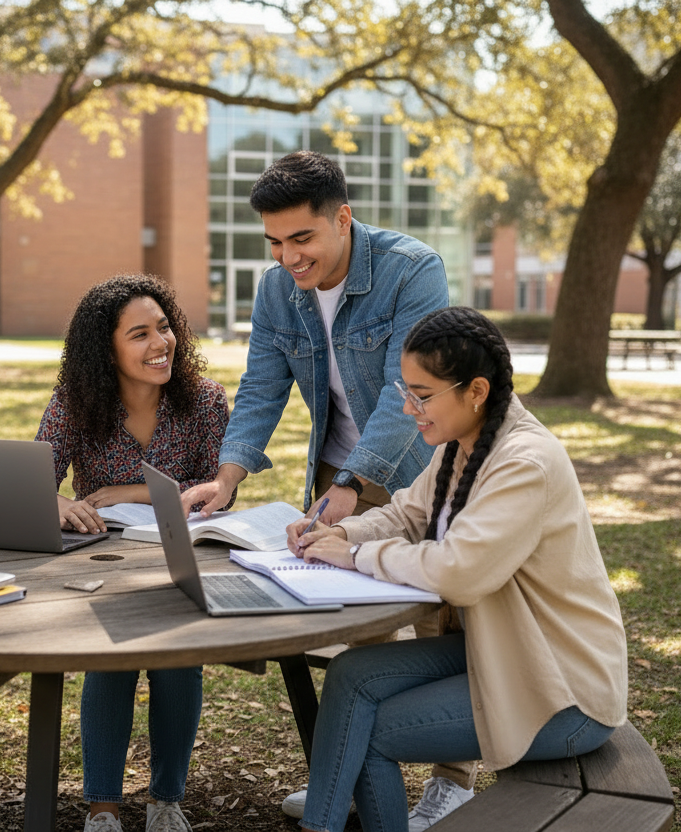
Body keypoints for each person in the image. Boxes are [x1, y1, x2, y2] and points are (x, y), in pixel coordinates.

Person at [284, 306, 629, 832]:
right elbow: (406, 513)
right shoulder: (463, 444)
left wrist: (353, 557)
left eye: (422, 395)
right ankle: (322, 824)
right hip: (502, 649)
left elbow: (459, 570)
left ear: (476, 391)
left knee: (372, 733)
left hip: (560, 688)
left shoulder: (522, 462)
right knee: (351, 676)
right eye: (407, 390)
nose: (408, 407)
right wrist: (339, 534)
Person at [35, 274, 232, 832]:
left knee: (178, 667)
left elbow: (215, 489)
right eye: (140, 334)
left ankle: (166, 803)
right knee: (111, 665)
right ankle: (102, 808)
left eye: (165, 328)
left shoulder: (206, 400)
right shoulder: (75, 404)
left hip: (181, 558)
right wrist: (55, 503)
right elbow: (33, 480)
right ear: (107, 350)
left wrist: (131, 490)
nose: (160, 344)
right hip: (104, 567)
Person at [180, 150, 449, 528]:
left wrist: (350, 481)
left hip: (412, 474)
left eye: (301, 238)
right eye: (275, 242)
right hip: (334, 472)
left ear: (342, 219)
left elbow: (405, 390)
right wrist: (225, 479)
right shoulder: (275, 290)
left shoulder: (412, 271)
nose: (289, 258)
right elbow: (261, 387)